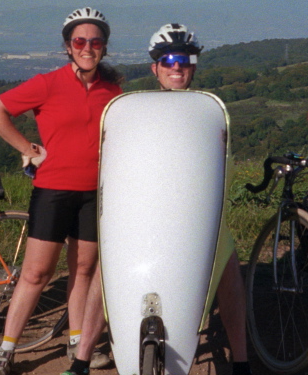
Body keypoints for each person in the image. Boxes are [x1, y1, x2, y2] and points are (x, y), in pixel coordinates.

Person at [68, 24, 251, 375]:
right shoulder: (137, 112)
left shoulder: (205, 111)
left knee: (227, 268)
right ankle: (81, 360)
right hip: (145, 212)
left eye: (184, 60)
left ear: (193, 66)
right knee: (104, 275)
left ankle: (241, 361)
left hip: (196, 216)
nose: (177, 67)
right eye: (168, 60)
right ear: (155, 68)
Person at [0, 7, 122, 375]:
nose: (87, 47)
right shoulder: (48, 83)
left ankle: (78, 343)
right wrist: (27, 149)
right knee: (35, 274)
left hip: (95, 192)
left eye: (95, 41)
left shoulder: (113, 90)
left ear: (104, 48)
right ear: (68, 46)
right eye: (80, 41)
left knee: (82, 271)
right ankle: (6, 350)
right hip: (54, 189)